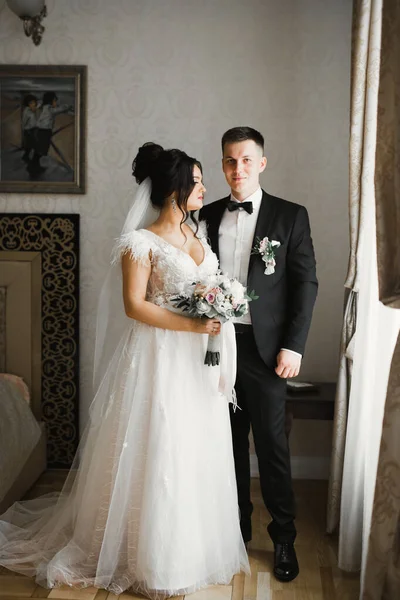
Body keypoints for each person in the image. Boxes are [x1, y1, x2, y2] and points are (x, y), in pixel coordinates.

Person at [0, 143, 249, 598]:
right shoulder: (141, 242)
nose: (204, 187)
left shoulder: (198, 237)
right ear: (174, 188)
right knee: (160, 445)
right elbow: (134, 306)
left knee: (195, 447)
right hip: (158, 358)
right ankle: (151, 560)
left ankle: (192, 550)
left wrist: (219, 308)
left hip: (196, 362)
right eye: (196, 181)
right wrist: (194, 324)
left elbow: (207, 287)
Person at [200, 126, 318, 583]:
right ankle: (237, 530)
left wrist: (294, 345)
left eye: (246, 160)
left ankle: (284, 537)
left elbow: (305, 283)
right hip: (218, 346)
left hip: (268, 352)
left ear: (262, 163)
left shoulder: (291, 216)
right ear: (223, 164)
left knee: (272, 448)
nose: (237, 169)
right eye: (230, 160)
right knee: (225, 444)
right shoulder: (207, 215)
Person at [28, 91, 71, 174]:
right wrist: (68, 107)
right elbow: (60, 109)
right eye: (55, 101)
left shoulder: (43, 107)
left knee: (38, 151)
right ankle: (33, 168)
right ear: (50, 101)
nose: (56, 102)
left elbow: (43, 105)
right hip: (44, 132)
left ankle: (34, 167)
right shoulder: (49, 109)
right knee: (40, 151)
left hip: (38, 130)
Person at [21, 94, 38, 163]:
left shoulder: (33, 109)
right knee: (29, 145)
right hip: (28, 130)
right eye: (30, 103)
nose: (33, 104)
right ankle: (26, 157)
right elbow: (24, 122)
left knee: (32, 145)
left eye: (34, 102)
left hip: (34, 129)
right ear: (27, 104)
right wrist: (25, 130)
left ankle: (27, 157)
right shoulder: (26, 111)